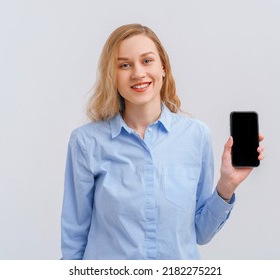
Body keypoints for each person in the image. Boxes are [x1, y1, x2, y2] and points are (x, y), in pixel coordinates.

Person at [61, 23, 264, 260]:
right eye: (124, 65)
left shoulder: (196, 136)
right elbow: (74, 236)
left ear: (164, 67)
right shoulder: (86, 142)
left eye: (147, 61)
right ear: (112, 76)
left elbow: (200, 232)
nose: (137, 73)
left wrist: (227, 185)